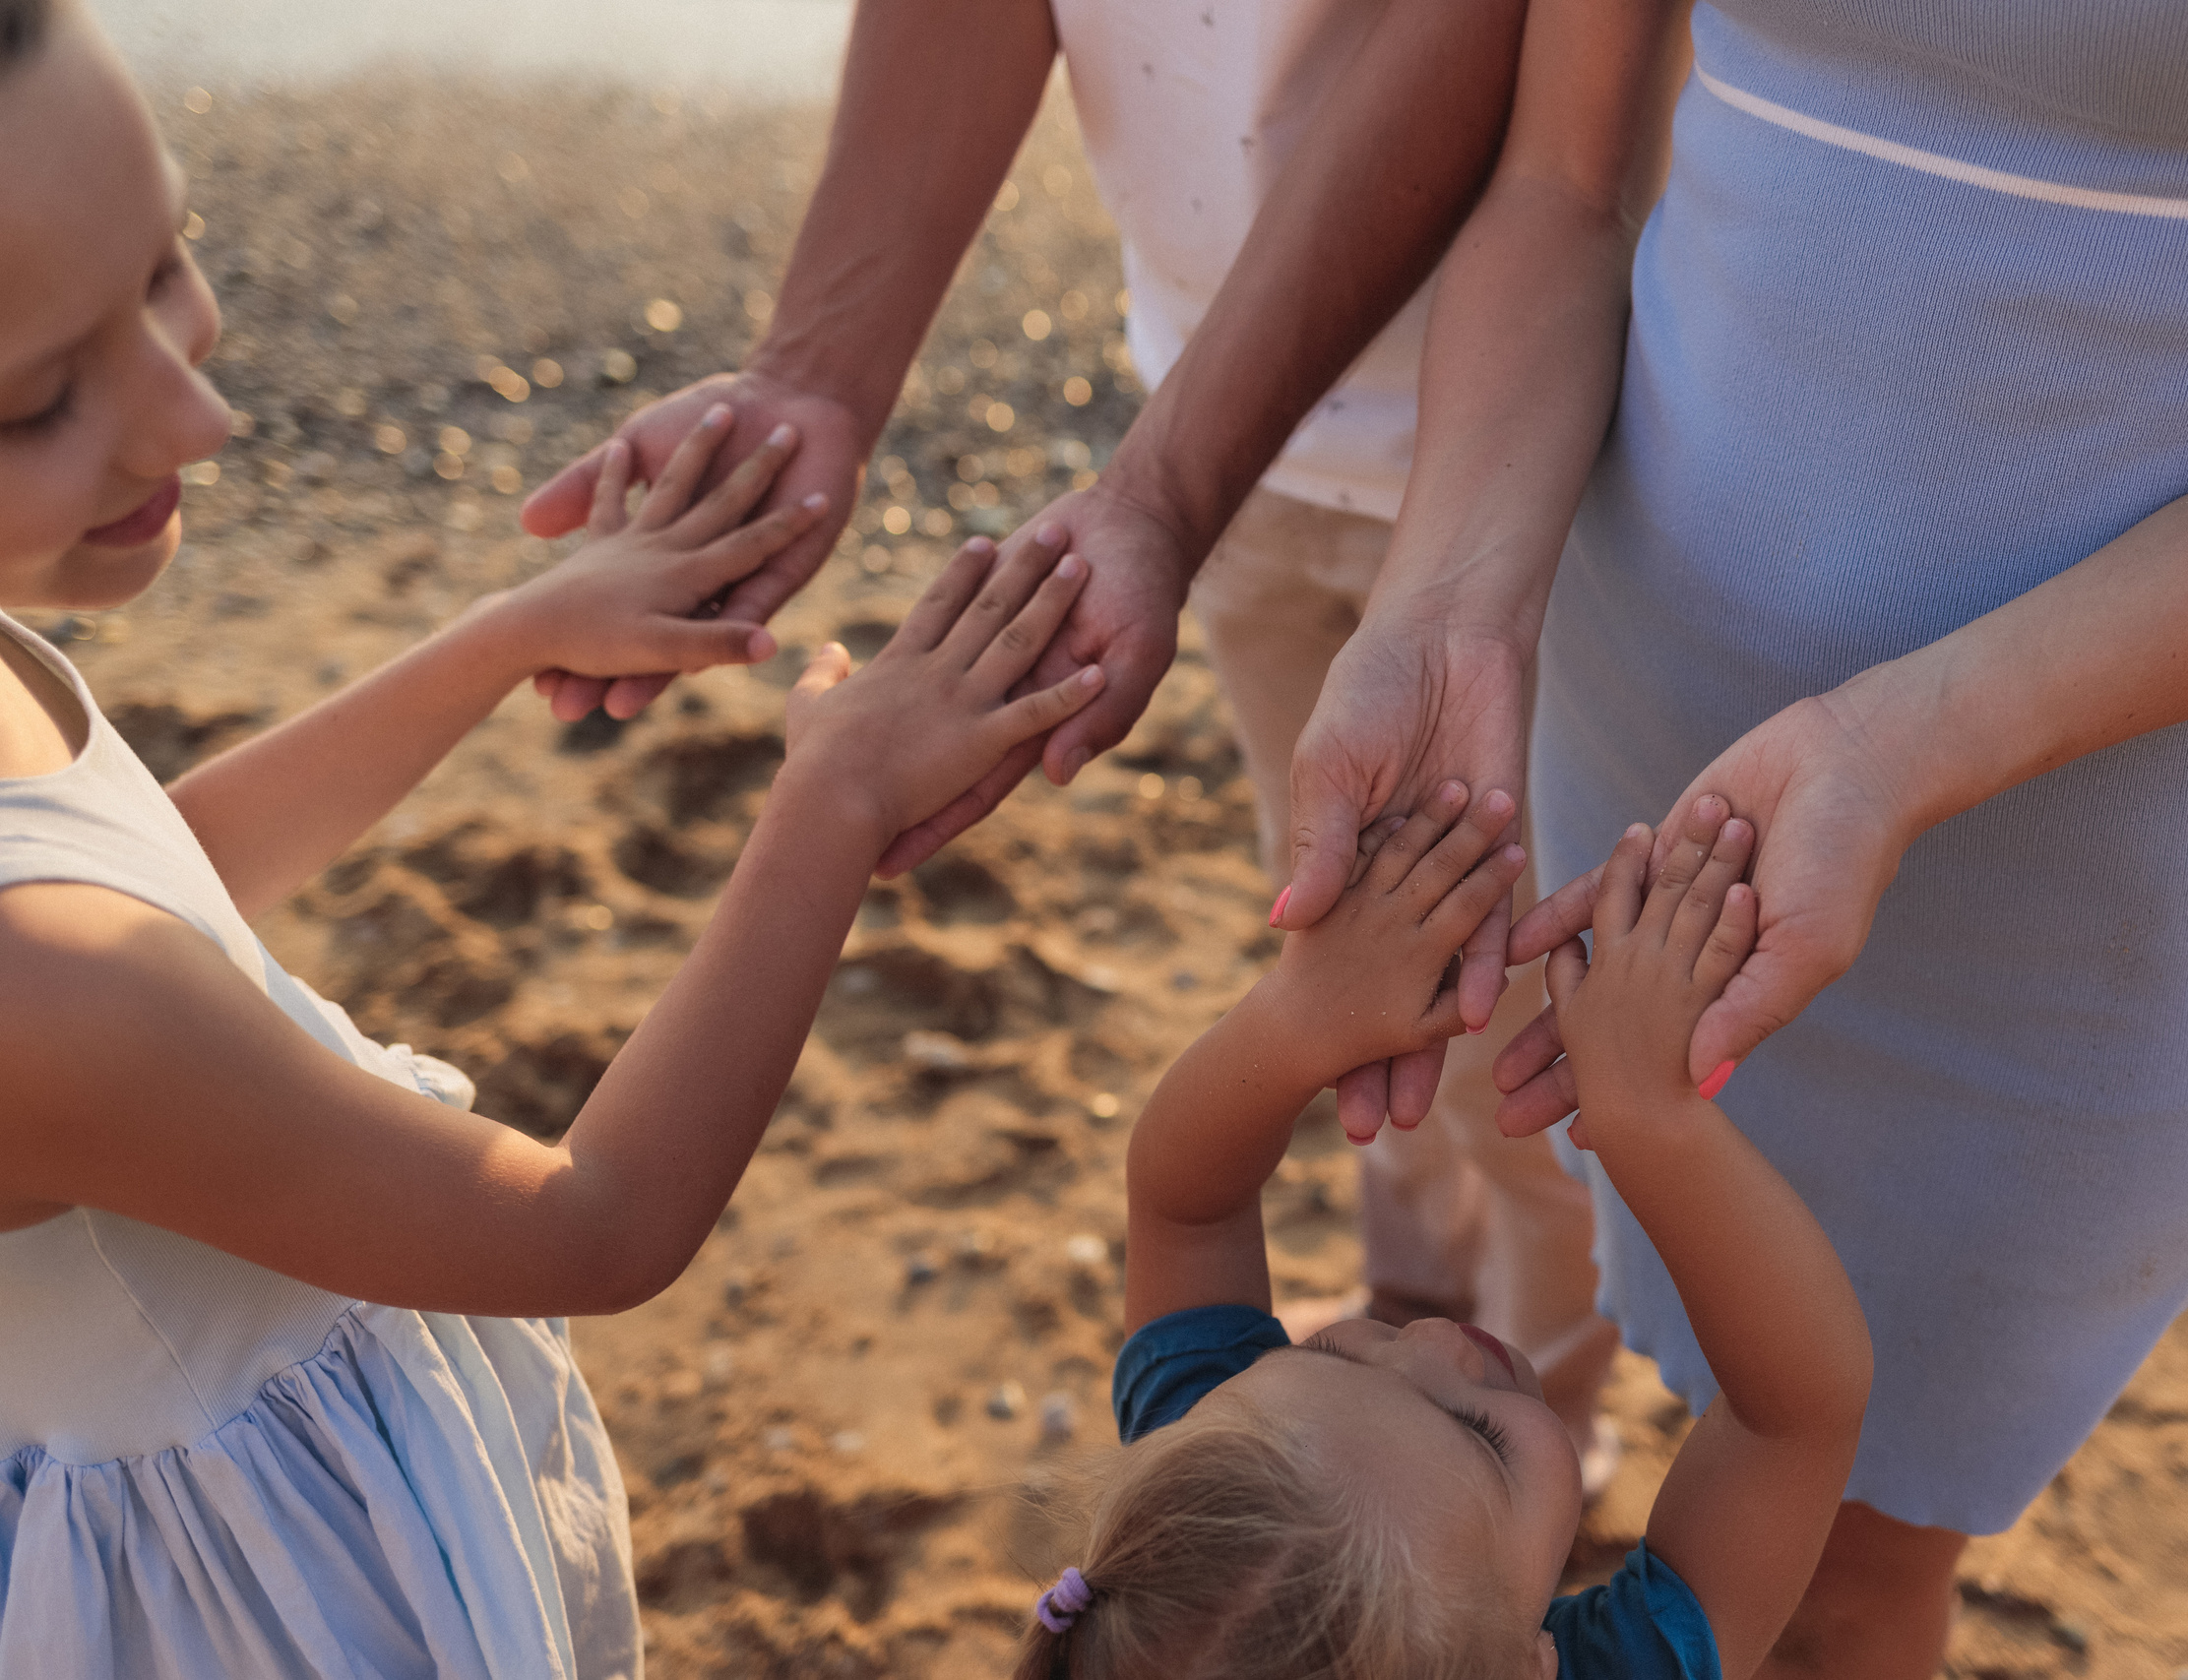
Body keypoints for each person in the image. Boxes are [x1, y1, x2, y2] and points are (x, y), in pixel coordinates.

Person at [1266, 0, 2188, 1671]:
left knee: (1853, 1569)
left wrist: (1917, 738)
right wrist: (1450, 611)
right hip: (1653, 750)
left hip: (2092, 851)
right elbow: (1559, 187)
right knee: (1716, 1390)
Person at [0, 9, 1103, 1670]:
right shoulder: (34, 1001)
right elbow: (590, 1224)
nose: (196, 413)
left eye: (168, 263)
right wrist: (835, 799)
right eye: (33, 401)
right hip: (291, 1594)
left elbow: (158, 885)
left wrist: (502, 635)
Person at [518, 0, 1622, 1462]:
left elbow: (1497, 48)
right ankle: (1410, 1297)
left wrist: (1160, 497)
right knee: (1347, 942)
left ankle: (1529, 1419)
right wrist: (815, 378)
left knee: (1511, 1031)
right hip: (1217, 419)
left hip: (1539, 438)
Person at [1016, 794, 1871, 1680]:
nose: (1428, 1340)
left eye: (1336, 1358)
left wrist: (1299, 1017)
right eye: (1480, 1436)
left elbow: (1184, 1206)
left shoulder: (1209, 1524)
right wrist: (1651, 1123)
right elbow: (1797, 1416)